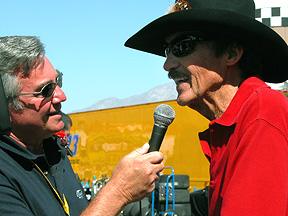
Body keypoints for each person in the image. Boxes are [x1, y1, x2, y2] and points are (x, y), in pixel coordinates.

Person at [125, 0, 288, 215]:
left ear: (230, 54)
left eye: (182, 46)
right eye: (168, 50)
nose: (167, 65)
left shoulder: (262, 114)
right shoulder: (234, 123)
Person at [0, 36, 164, 216]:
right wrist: (119, 191)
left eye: (58, 81)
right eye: (46, 90)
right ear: (4, 105)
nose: (61, 96)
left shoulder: (54, 151)